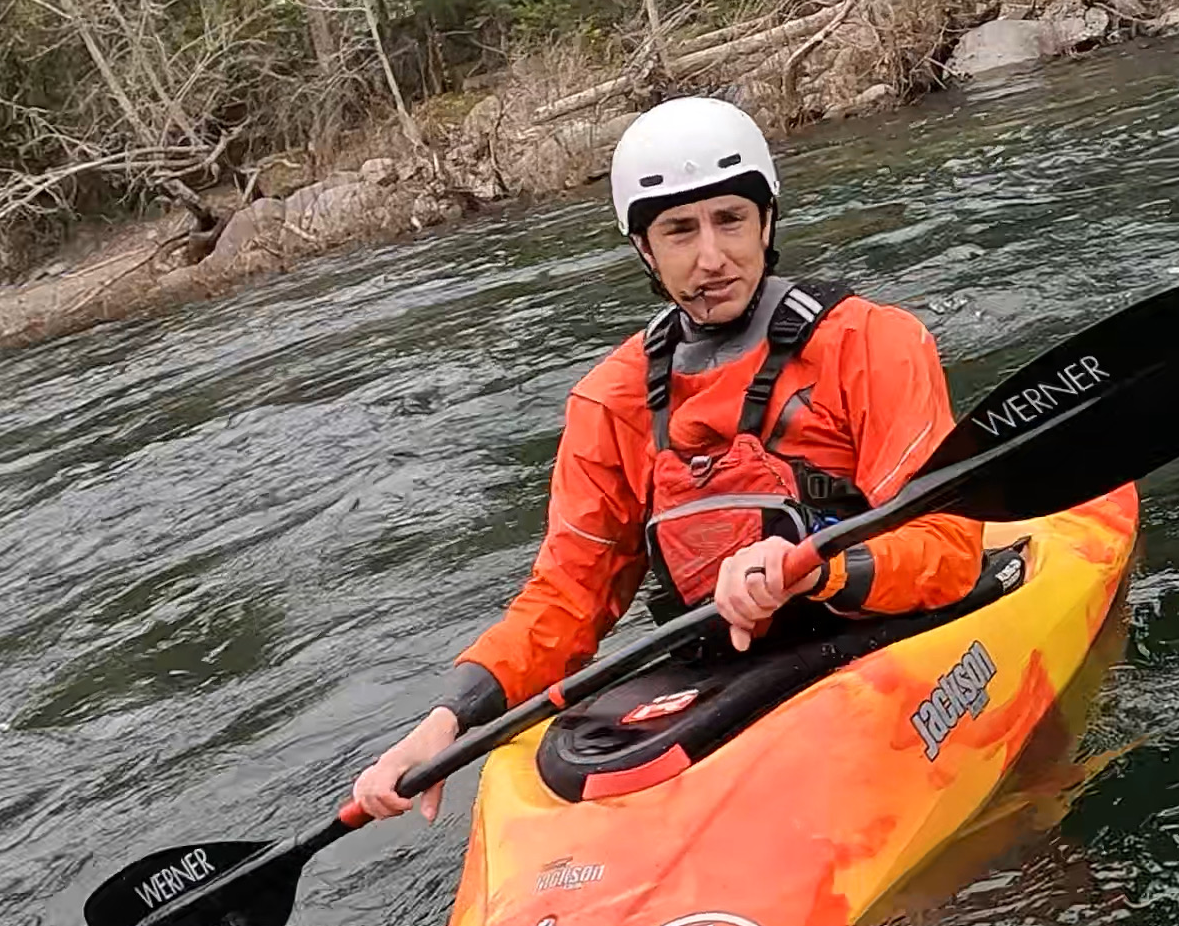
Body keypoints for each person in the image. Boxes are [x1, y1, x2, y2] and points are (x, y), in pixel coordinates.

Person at [347, 96, 985, 822]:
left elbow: (949, 548)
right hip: (728, 668)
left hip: (885, 636)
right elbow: (565, 600)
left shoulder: (870, 342)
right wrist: (448, 719)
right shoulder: (609, 402)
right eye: (680, 231)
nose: (711, 257)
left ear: (766, 222)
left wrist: (815, 566)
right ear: (645, 250)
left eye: (730, 221)